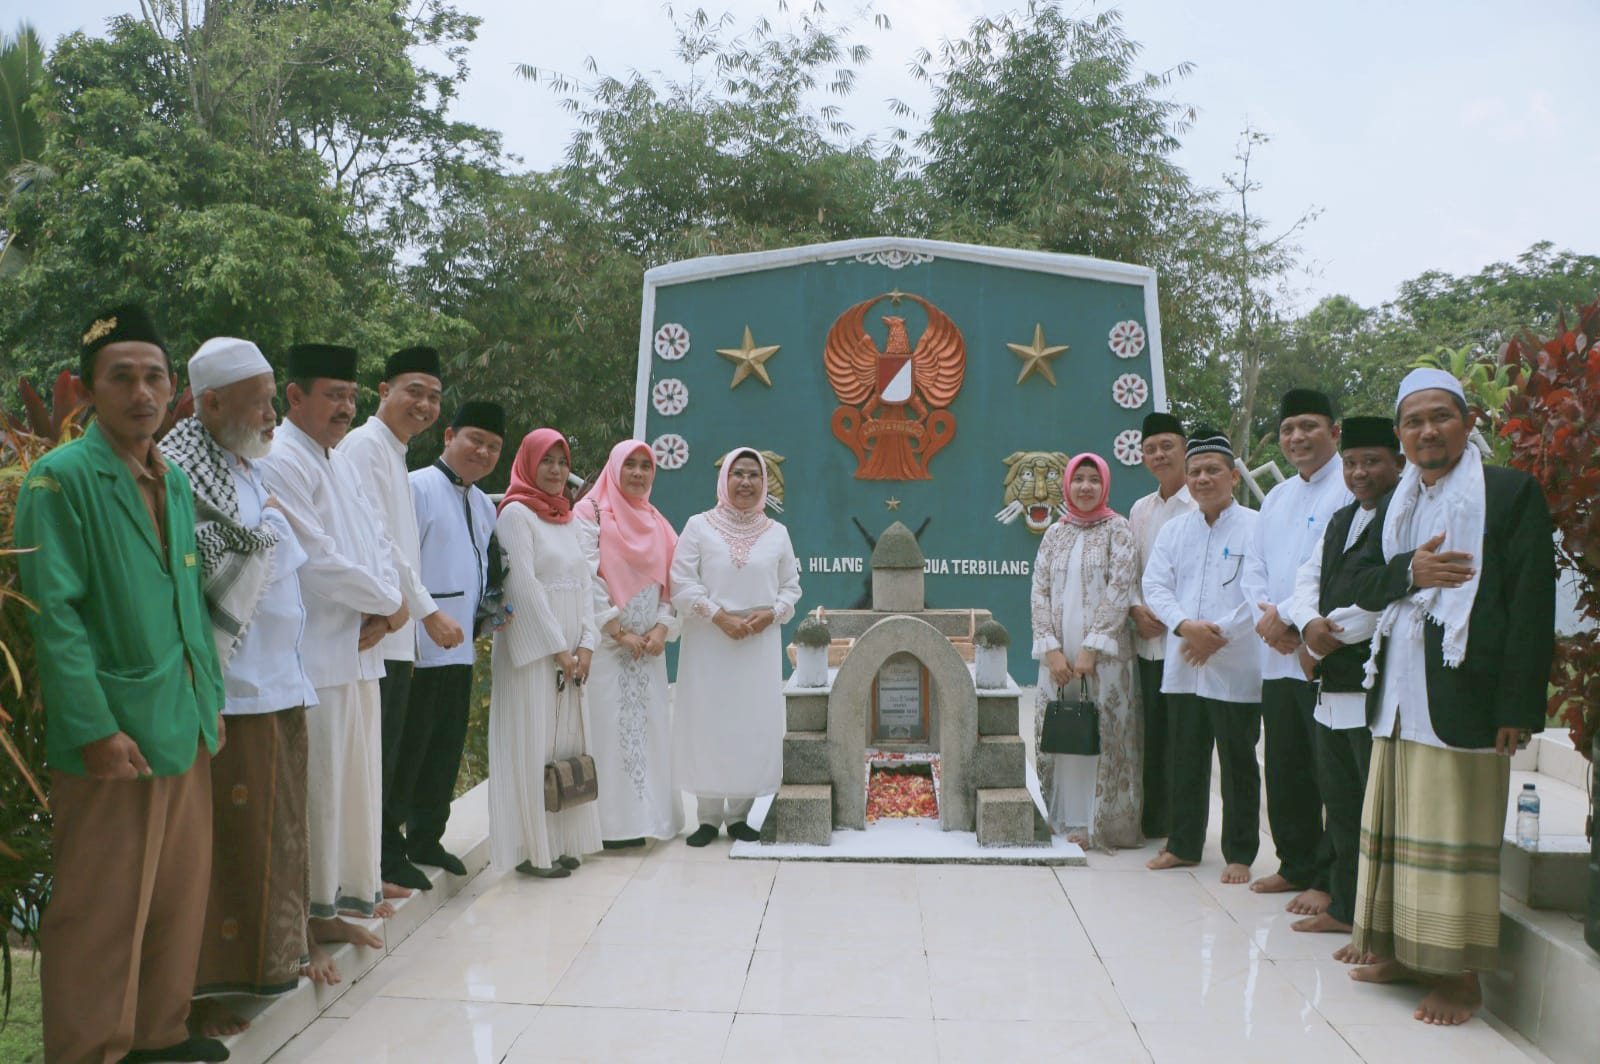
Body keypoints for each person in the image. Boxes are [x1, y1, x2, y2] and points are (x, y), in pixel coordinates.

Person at [17, 306, 229, 1064]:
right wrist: (94, 730)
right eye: (122, 377)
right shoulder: (59, 479)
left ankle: (159, 1035)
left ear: (172, 389)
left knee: (176, 897)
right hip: (115, 733)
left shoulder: (168, 479)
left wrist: (209, 701)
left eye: (154, 377)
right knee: (101, 910)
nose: (141, 392)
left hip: (182, 719)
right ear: (86, 388)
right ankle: (87, 1050)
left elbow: (188, 602)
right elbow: (57, 618)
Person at [1343, 369, 1555, 1025]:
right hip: (1400, 697)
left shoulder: (1509, 493)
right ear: (1402, 436)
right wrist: (1411, 571)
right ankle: (1408, 953)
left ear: (1468, 423)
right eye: (1413, 421)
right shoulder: (1396, 502)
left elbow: (1530, 605)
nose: (1427, 430)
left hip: (1468, 695)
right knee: (1405, 829)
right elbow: (1353, 578)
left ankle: (1462, 979)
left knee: (1456, 837)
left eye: (1440, 416)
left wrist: (1518, 708)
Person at [164, 338, 319, 1037]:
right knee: (229, 842)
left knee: (278, 831)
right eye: (258, 397)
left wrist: (270, 533)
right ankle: (203, 991)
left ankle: (275, 962)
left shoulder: (245, 466)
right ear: (211, 402)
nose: (269, 409)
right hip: (232, 690)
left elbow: (272, 543)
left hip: (280, 682)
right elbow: (217, 567)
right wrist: (269, 533)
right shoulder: (182, 471)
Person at [258, 343, 405, 976]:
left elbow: (377, 540)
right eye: (332, 395)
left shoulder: (336, 460)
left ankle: (334, 907)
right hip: (314, 655)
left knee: (353, 788)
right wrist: (392, 603)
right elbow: (314, 560)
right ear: (294, 397)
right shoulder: (281, 458)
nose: (345, 407)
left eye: (350, 395)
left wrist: (395, 604)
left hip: (359, 650)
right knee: (315, 798)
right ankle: (304, 927)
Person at [338, 346, 463, 893]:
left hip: (395, 635)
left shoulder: (394, 453)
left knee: (384, 759)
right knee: (371, 761)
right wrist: (427, 611)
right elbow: (377, 541)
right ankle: (367, 872)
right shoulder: (365, 447)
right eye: (414, 390)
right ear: (382, 390)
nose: (425, 404)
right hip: (375, 630)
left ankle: (375, 867)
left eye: (434, 396)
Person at [1282, 416, 1403, 944]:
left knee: (1369, 808)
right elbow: (1307, 578)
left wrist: (1326, 637)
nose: (1359, 472)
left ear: (1398, 464)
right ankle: (1345, 905)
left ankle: (1372, 918)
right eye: (1352, 462)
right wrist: (1308, 626)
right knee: (1341, 802)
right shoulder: (1342, 518)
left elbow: (1392, 595)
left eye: (1372, 461)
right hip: (1328, 687)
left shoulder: (1403, 517)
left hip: (1369, 685)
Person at [1241, 389, 1353, 913]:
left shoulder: (1349, 489)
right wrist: (1271, 622)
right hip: (1276, 653)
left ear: (1334, 431)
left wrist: (1289, 619)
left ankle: (1329, 877)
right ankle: (1294, 864)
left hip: (1321, 653)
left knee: (1327, 769)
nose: (1297, 437)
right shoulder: (1279, 497)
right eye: (1288, 429)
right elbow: (1254, 567)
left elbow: (1333, 568)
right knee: (1284, 765)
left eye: (1309, 426)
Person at [1142, 428, 1264, 884]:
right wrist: (1185, 627)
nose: (1203, 478)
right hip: (1183, 662)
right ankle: (1183, 845)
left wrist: (1220, 634)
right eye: (1195, 471)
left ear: (1233, 475)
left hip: (1236, 664)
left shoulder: (1255, 526)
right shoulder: (1175, 531)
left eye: (1213, 470)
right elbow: (1156, 585)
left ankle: (1239, 852)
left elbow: (1259, 588)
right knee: (1185, 758)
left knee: (1238, 761)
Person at [671, 448, 802, 846]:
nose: (746, 482)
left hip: (757, 642)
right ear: (724, 478)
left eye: (754, 476)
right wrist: (718, 616)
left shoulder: (777, 532)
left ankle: (740, 816)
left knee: (751, 724)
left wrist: (772, 614)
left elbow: (791, 587)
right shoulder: (698, 526)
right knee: (709, 722)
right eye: (738, 474)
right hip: (710, 638)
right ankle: (708, 818)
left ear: (765, 483)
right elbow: (681, 582)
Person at [398, 401, 507, 878]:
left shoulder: (482, 502)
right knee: (409, 747)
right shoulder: (417, 487)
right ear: (449, 436)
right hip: (419, 645)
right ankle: (389, 846)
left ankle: (427, 838)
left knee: (445, 747)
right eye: (475, 440)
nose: (482, 452)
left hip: (461, 647)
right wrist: (428, 617)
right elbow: (401, 562)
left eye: (494, 447)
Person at [487, 428, 602, 877]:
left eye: (562, 461)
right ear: (528, 463)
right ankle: (533, 850)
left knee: (565, 745)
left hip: (572, 651)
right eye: (547, 461)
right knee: (532, 740)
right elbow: (524, 588)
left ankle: (561, 840)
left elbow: (586, 584)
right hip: (537, 651)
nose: (556, 471)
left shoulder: (569, 517)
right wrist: (558, 649)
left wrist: (587, 644)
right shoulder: (516, 514)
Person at [1029, 453, 1142, 851]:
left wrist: (1092, 650)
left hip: (1105, 659)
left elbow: (1120, 591)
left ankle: (1099, 825)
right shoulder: (1054, 533)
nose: (1086, 487)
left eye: (1095, 479)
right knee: (1063, 732)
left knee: (1102, 732)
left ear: (1105, 485)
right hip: (1059, 661)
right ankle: (1062, 817)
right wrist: (1052, 651)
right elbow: (1038, 591)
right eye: (1079, 479)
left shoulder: (1120, 530)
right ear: (1068, 486)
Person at [576, 441, 685, 848]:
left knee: (650, 731)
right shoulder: (589, 513)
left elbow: (673, 583)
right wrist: (617, 631)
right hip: (607, 649)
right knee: (608, 731)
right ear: (614, 468)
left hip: (648, 653)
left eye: (646, 466)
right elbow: (585, 574)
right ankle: (611, 828)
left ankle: (648, 820)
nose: (638, 474)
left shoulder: (658, 522)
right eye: (630, 466)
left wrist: (661, 629)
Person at [1126, 412, 1194, 840]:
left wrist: (1174, 618)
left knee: (1184, 741)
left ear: (1183, 448)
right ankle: (1152, 822)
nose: (1158, 455)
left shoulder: (1201, 503)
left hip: (1186, 646)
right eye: (1150, 448)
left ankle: (1183, 829)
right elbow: (1130, 570)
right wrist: (1135, 608)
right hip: (1146, 643)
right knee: (1149, 736)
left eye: (1167, 446)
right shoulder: (1140, 509)